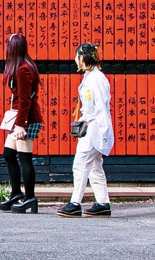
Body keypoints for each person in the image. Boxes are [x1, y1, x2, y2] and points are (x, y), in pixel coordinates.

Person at [58, 42, 114, 218]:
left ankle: (75, 203)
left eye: (77, 56)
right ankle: (102, 203)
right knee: (95, 166)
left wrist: (104, 133)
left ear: (83, 58)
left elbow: (101, 109)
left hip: (95, 128)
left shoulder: (97, 79)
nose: (75, 60)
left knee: (81, 164)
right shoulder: (91, 77)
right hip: (91, 126)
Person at [0, 32, 43, 214]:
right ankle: (16, 193)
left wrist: (21, 125)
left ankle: (30, 197)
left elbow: (25, 100)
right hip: (19, 118)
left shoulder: (23, 69)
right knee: (9, 154)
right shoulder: (21, 67)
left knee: (24, 157)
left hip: (26, 119)